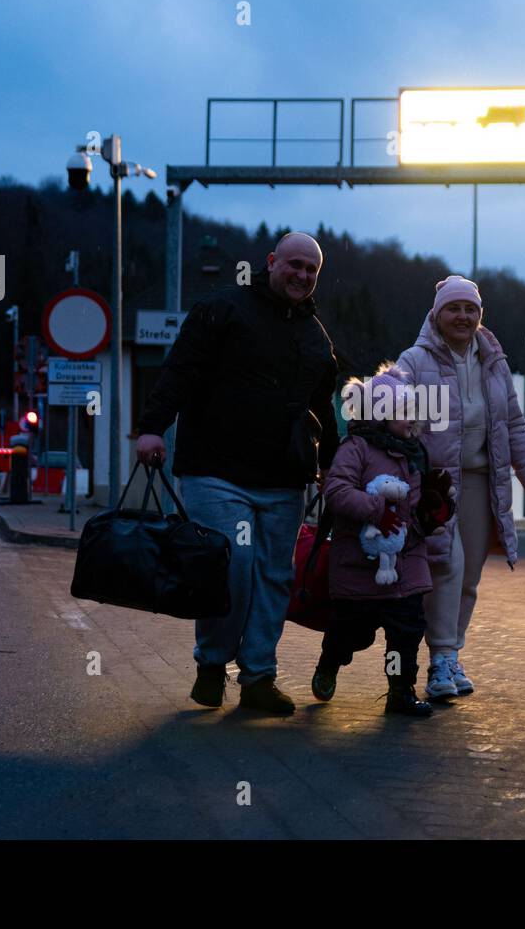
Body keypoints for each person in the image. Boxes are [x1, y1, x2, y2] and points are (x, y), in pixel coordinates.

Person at [134, 232, 339, 715]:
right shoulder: (222, 309)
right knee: (233, 566)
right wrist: (151, 429)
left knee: (274, 578)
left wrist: (331, 464)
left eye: (312, 270)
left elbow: (323, 410)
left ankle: (258, 679)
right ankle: (211, 664)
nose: (302, 276)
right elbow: (179, 369)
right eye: (294, 265)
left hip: (285, 479)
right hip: (215, 470)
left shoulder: (315, 338)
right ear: (270, 262)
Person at [396, 275, 525, 700]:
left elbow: (515, 425)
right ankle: (440, 659)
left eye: (471, 309)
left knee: (470, 576)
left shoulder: (494, 364)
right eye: (454, 308)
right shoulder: (414, 360)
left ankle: (451, 654)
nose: (463, 317)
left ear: (481, 316)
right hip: (436, 485)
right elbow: (388, 404)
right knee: (446, 565)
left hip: (484, 482)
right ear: (437, 314)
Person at [312, 364, 456, 717]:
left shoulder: (414, 453)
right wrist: (377, 510)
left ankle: (399, 690)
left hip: (406, 563)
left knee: (405, 633)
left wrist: (430, 517)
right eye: (403, 413)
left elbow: (416, 507)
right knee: (352, 631)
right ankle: (330, 661)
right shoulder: (355, 449)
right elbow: (337, 492)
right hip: (360, 564)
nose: (411, 420)